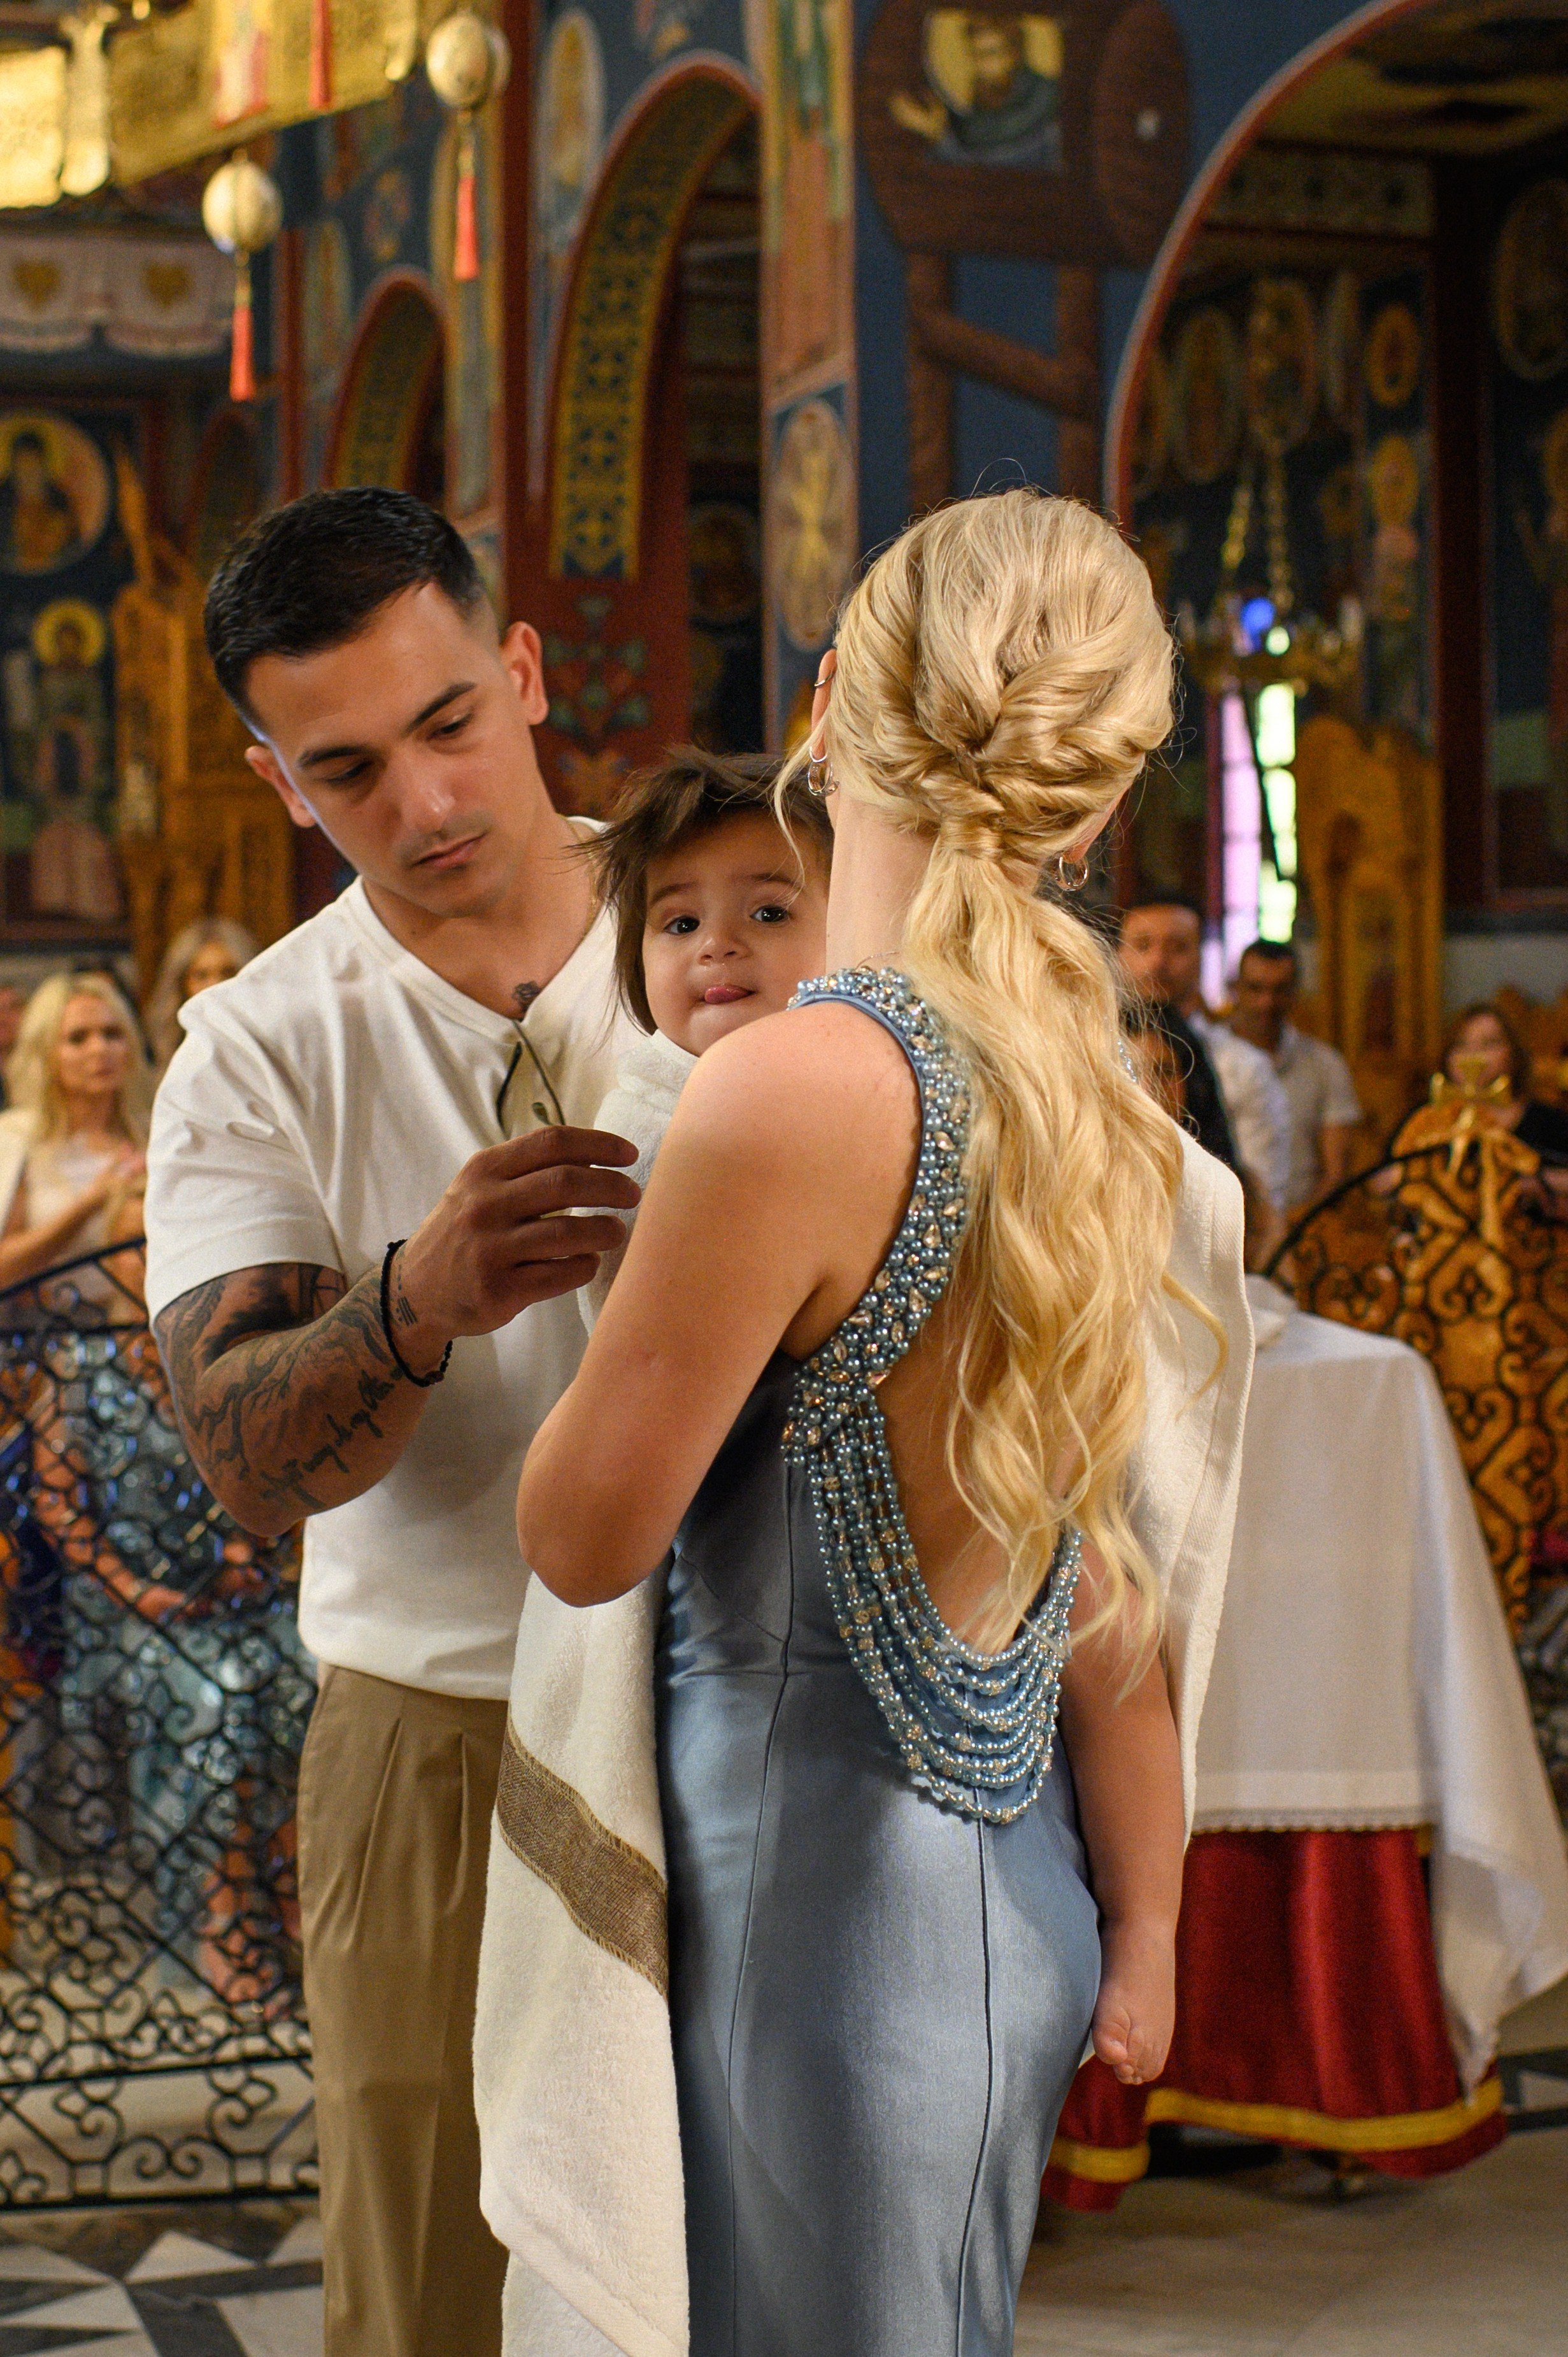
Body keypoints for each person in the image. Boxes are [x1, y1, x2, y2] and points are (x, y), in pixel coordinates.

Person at [504, 492, 1250, 2356]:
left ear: (827, 704)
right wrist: (1145, 1935)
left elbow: (581, 1532)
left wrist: (565, 1315)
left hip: (809, 1934)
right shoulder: (1105, 1116)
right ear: (1084, 805)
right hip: (1020, 1895)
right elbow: (1112, 1595)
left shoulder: (784, 1096)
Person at [141, 488, 643, 2357]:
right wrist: (412, 1301)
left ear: (517, 673)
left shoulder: (727, 916)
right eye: (351, 769)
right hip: (444, 1723)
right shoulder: (262, 1045)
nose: (427, 802)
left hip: (753, 1686)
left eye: (449, 726)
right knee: (428, 2273)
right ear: (283, 784)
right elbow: (245, 1464)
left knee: (762, 2247)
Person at [578, 746, 832, 1318]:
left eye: (769, 913)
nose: (715, 943)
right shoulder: (644, 1127)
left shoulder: (875, 1082)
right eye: (682, 923)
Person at [1118, 897, 1292, 1214]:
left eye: (1178, 948)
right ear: (1118, 955)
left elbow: (1260, 1194)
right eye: (1143, 946)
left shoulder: (1242, 1066)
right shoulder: (1088, 1051)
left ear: (1202, 956)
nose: (1158, 962)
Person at [0, 971, 150, 1301]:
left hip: (140, 1333)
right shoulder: (17, 1137)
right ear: (46, 1053)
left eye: (112, 1034)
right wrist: (88, 1206)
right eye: (78, 1038)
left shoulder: (153, 1134)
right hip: (46, 1334)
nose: (100, 1049)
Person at [1223, 938, 1362, 1212]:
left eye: (1280, 990)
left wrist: (1287, 1232)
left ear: (1296, 992)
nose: (1267, 1003)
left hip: (1300, 1225)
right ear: (1236, 989)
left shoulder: (1325, 1064)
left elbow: (1336, 1173)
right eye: (1256, 989)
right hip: (1223, 1221)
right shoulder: (1209, 1057)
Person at [1437, 1000, 1568, 1160]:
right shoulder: (1425, 1122)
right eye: (1461, 1044)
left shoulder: (1549, 1124)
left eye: (1489, 1044)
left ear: (1513, 1055)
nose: (1473, 1055)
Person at [145, 918, 259, 1073]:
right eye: (201, 976)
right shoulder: (165, 1061)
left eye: (228, 973)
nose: (215, 986)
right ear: (182, 985)